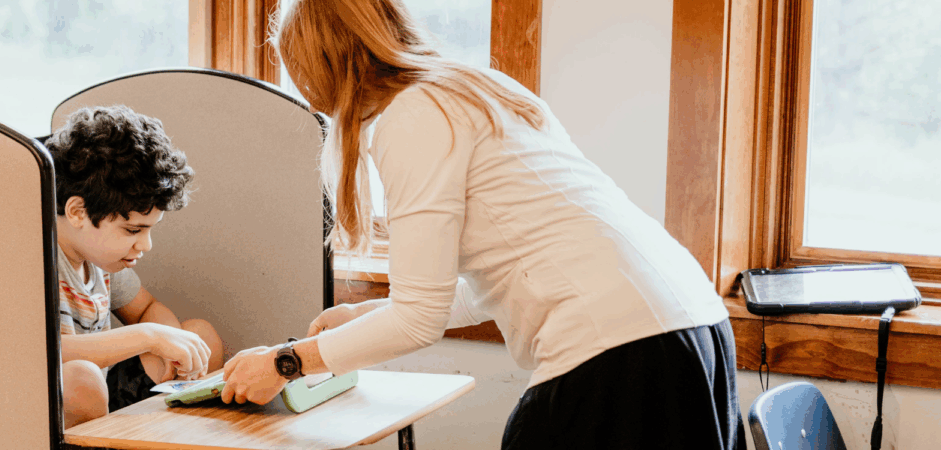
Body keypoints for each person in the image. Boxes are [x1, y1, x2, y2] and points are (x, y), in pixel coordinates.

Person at [218, 1, 743, 449]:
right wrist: (367, 312)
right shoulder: (475, 87)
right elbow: (500, 278)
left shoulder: (412, 116)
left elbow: (416, 323)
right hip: (689, 327)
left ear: (326, 62)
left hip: (620, 351)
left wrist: (286, 363)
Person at [47, 105, 225, 428]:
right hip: (73, 396)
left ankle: (150, 431)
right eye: (133, 231)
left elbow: (147, 310)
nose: (145, 245)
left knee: (201, 337)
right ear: (77, 213)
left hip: (109, 391)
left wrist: (173, 348)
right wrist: (149, 337)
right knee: (80, 381)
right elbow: (49, 352)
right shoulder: (39, 261)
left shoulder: (103, 260)